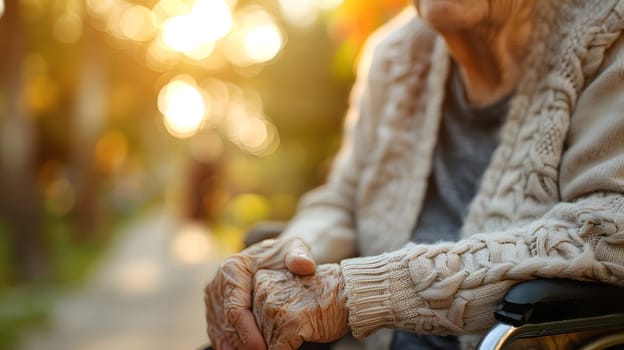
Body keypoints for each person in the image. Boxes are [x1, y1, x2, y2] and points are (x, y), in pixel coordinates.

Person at [204, 0, 624, 349]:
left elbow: (607, 232)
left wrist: (357, 293)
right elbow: (343, 199)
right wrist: (291, 255)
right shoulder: (394, 53)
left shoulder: (608, 29)